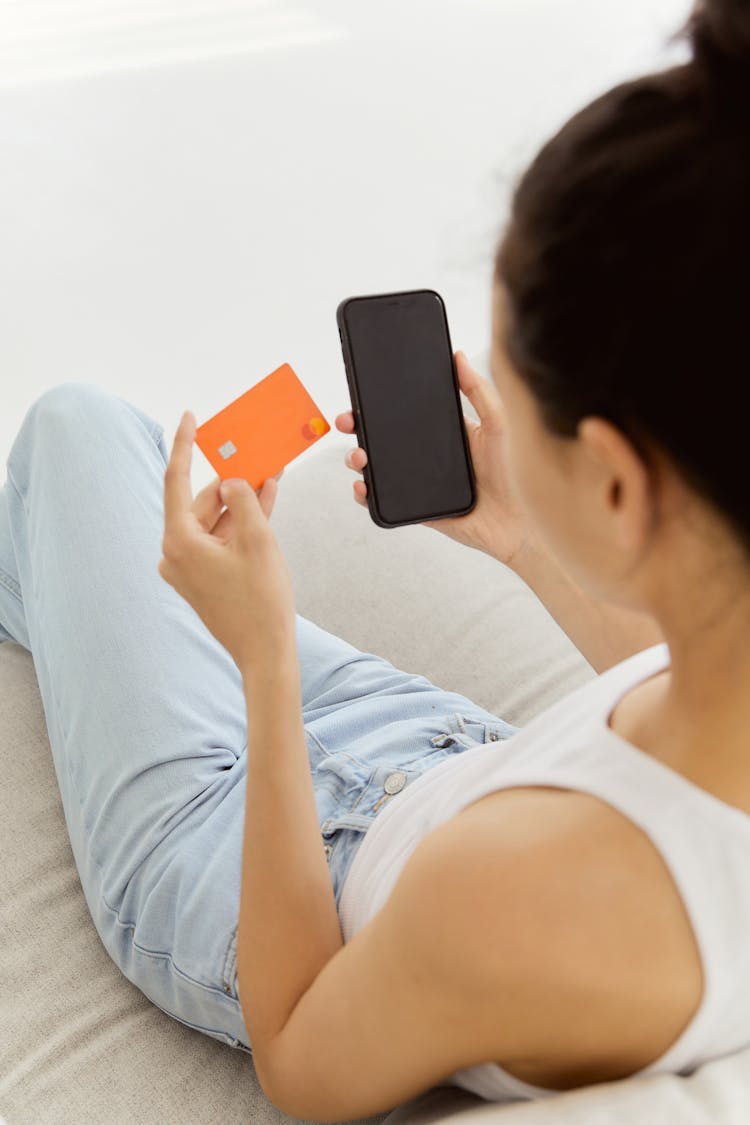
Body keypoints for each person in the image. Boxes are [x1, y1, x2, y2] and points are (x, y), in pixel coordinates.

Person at [1, 0, 749, 1119]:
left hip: (249, 857)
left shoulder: (520, 904)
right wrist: (525, 543)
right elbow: (680, 675)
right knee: (106, 491)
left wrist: (264, 662)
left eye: (518, 377)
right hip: (450, 762)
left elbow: (302, 1054)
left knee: (74, 431)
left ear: (616, 481)